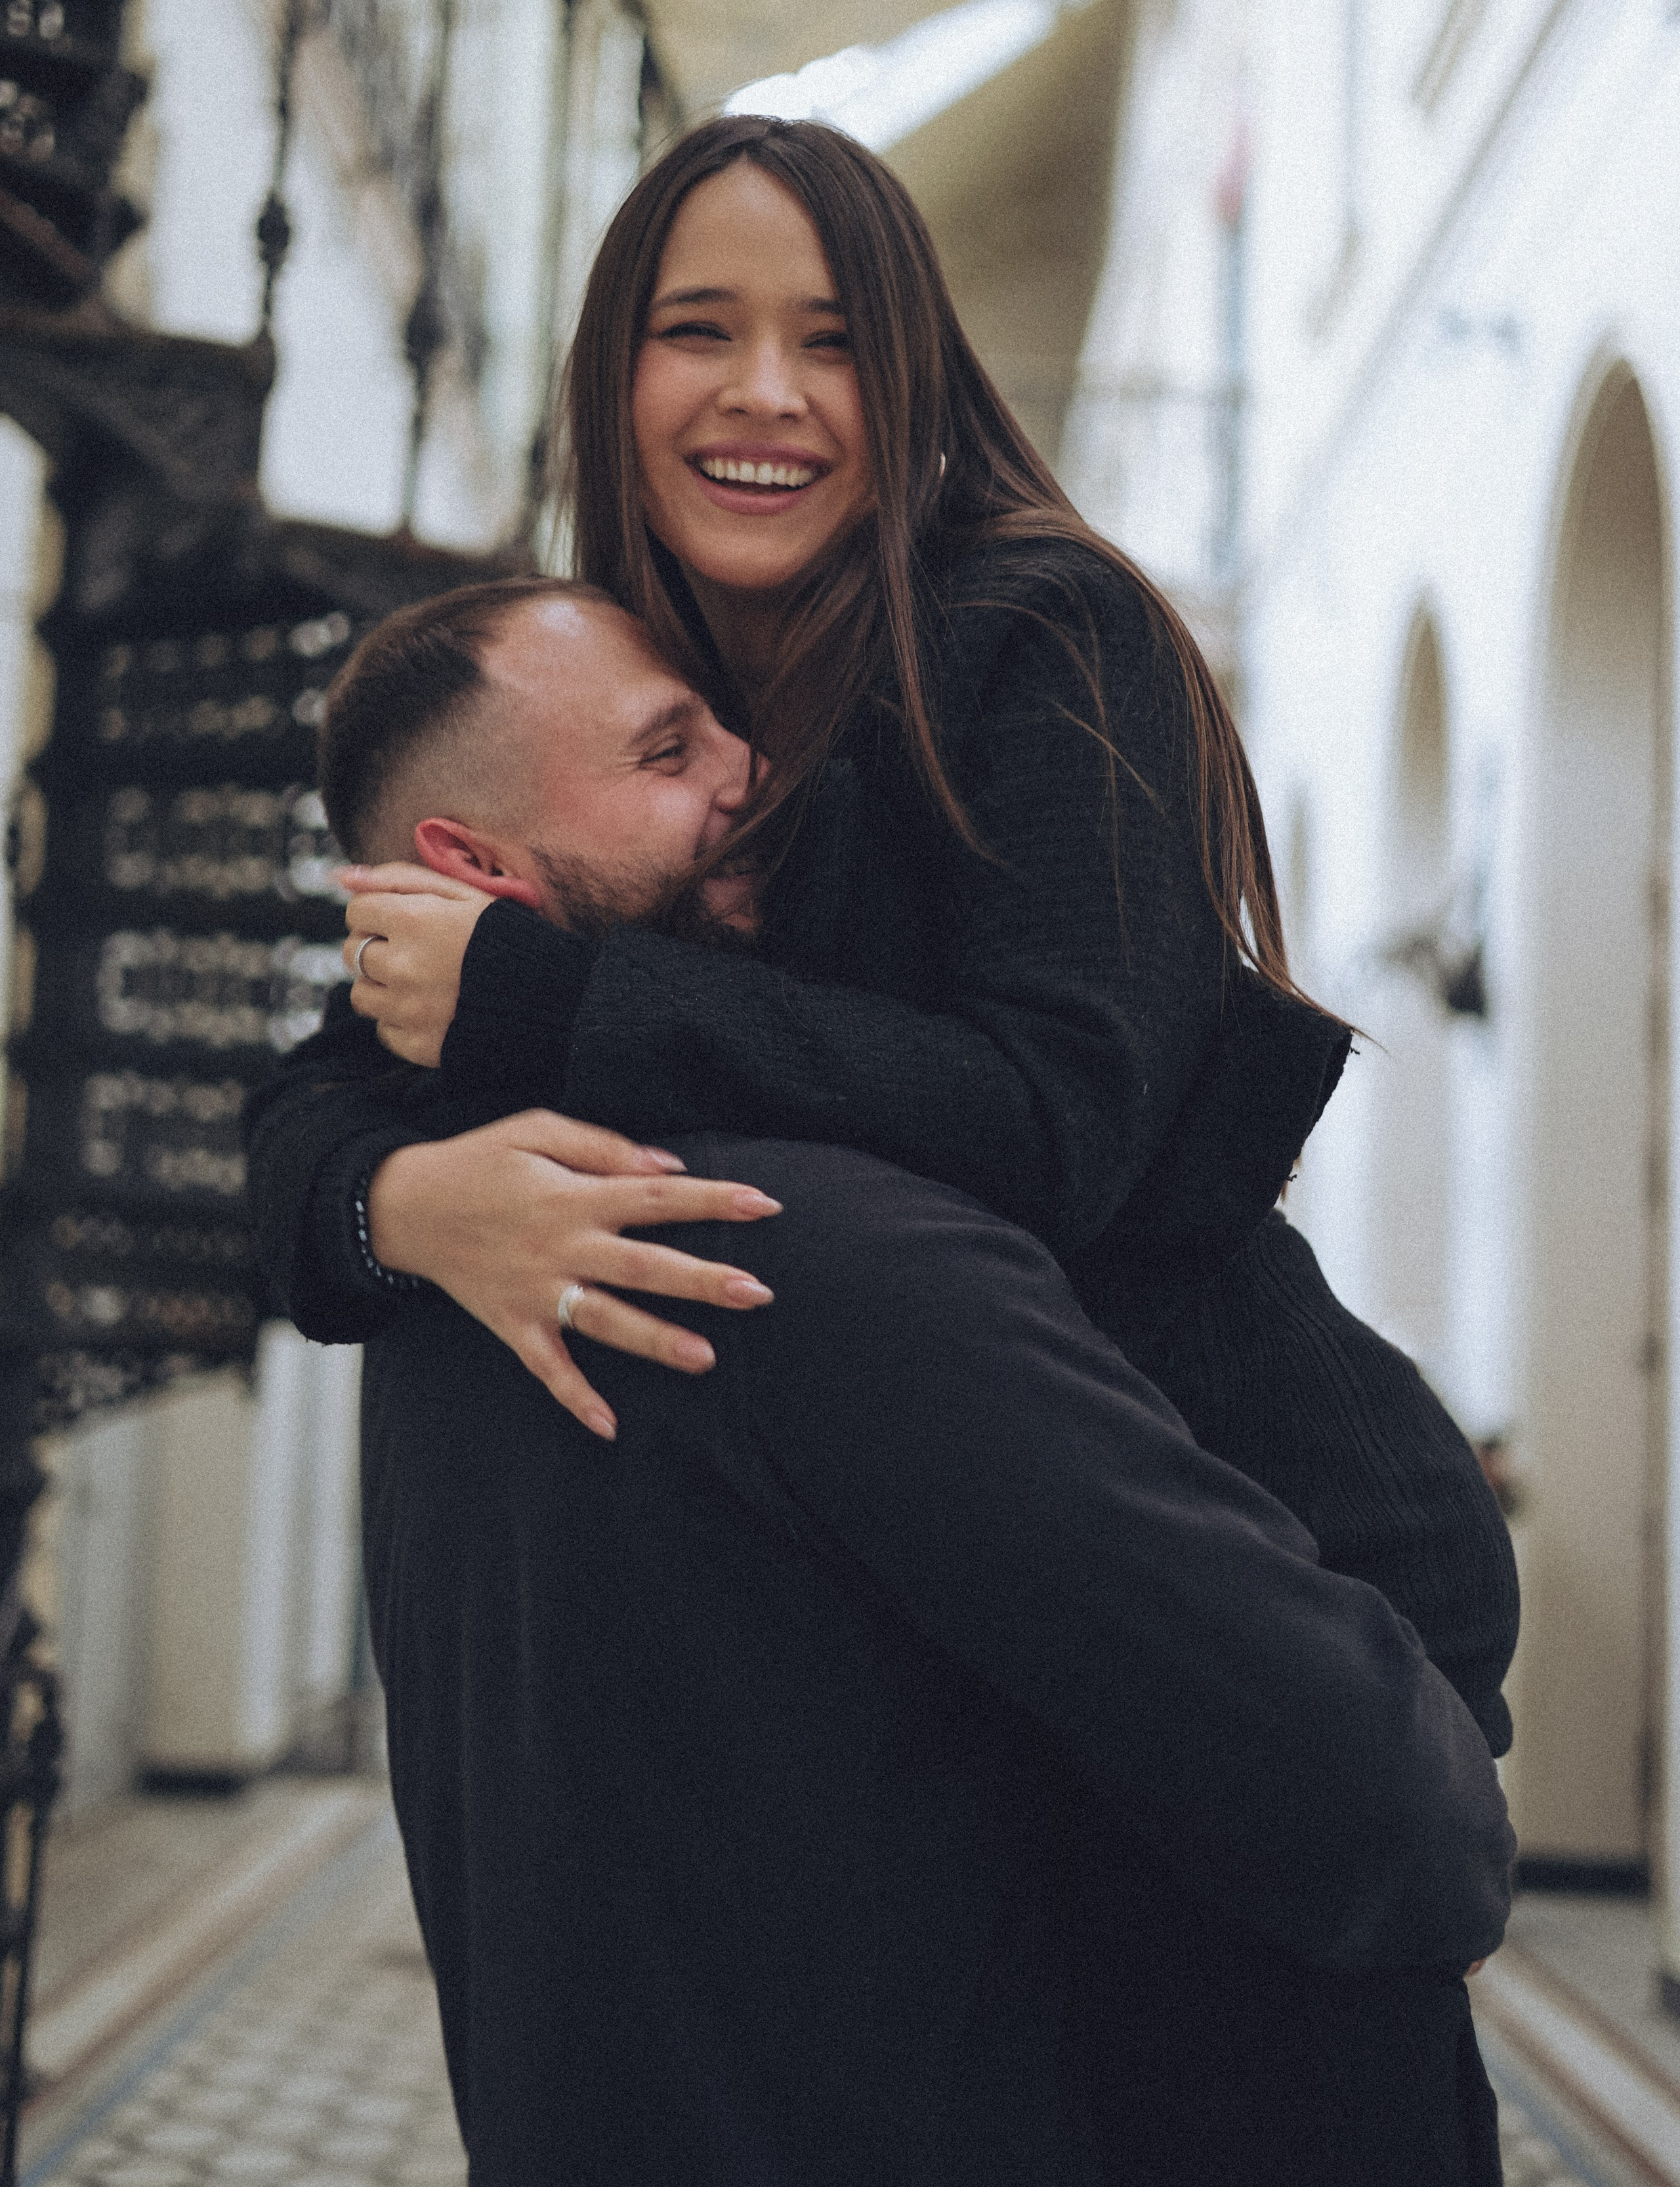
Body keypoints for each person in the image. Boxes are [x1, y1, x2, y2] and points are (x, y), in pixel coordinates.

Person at [244, 118, 1519, 2176]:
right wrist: (404, 1196)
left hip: (1261, 1571)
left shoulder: (1030, 635)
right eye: (699, 331)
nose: (765, 392)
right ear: (613, 372)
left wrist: (548, 1008)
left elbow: (1060, 1131)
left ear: (910, 375)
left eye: (830, 340)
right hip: (998, 1626)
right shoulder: (640, 693)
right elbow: (320, 1094)